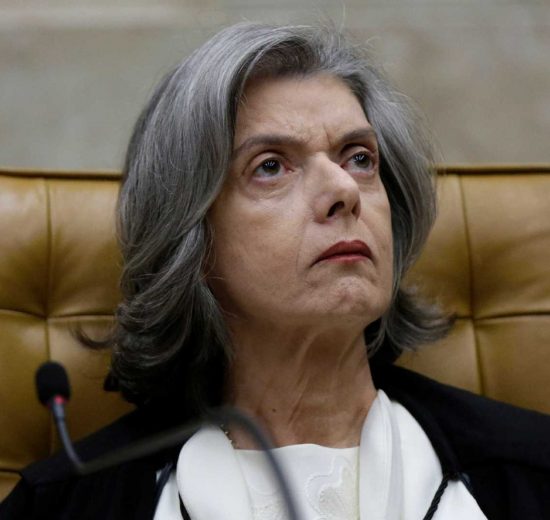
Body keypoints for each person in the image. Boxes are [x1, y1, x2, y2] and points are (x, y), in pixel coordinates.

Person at [2, 22, 550, 520]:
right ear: (191, 237)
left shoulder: (532, 469)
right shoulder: (63, 505)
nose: (343, 189)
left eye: (359, 158)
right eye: (270, 167)